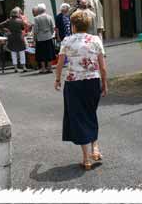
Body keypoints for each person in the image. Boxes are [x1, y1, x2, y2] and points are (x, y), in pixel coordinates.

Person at [54, 9, 108, 170]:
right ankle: (95, 147)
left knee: (78, 117)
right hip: (92, 81)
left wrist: (57, 79)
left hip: (74, 83)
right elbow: (103, 66)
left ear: (73, 26)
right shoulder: (96, 40)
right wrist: (104, 83)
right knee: (91, 113)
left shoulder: (67, 41)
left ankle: (86, 159)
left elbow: (59, 64)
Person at [0, 7, 27, 73]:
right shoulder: (20, 20)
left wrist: (7, 30)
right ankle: (24, 67)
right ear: (17, 13)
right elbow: (23, 28)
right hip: (19, 37)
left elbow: (0, 25)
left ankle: (15, 68)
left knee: (13, 52)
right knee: (22, 52)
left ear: (11, 14)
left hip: (11, 37)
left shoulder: (8, 20)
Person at [32, 3, 56, 74]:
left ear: (38, 10)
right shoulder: (49, 17)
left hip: (40, 37)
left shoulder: (36, 18)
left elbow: (36, 29)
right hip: (48, 36)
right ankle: (50, 67)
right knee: (49, 52)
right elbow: (52, 27)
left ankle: (43, 68)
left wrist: (35, 37)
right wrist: (50, 34)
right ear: (45, 9)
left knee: (41, 53)